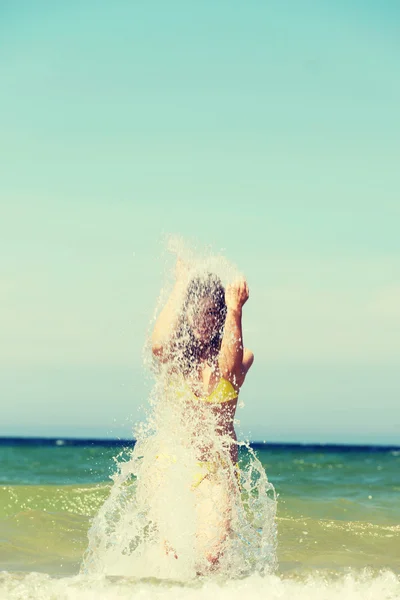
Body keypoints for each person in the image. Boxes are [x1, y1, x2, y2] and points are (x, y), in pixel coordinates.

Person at [150, 259, 254, 568]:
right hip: (173, 463)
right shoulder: (177, 356)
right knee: (173, 556)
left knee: (210, 558)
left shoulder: (241, 355)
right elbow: (157, 345)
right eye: (196, 311)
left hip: (215, 471)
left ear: (219, 316)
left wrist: (236, 309)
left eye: (210, 313)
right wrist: (181, 282)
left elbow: (229, 371)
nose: (202, 320)